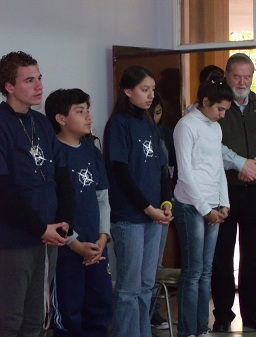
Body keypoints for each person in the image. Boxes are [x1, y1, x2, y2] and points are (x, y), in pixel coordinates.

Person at [0, 51, 72, 337]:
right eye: (29, 80)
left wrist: (65, 221)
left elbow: (61, 176)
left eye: (39, 78)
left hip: (48, 236)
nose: (39, 85)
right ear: (9, 86)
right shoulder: (2, 124)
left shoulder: (41, 123)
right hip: (14, 239)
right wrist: (39, 227)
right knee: (10, 318)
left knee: (37, 317)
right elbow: (2, 190)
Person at [211, 53, 256, 332]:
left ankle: (252, 315)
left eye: (247, 76)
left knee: (254, 256)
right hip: (224, 191)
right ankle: (222, 316)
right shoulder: (215, 105)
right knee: (222, 256)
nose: (242, 82)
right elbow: (210, 144)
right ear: (227, 76)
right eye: (236, 76)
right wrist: (240, 163)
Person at [103, 65, 173, 337]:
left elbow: (161, 168)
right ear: (127, 91)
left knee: (146, 285)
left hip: (154, 217)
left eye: (152, 90)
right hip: (130, 217)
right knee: (129, 289)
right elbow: (120, 172)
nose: (150, 95)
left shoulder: (150, 124)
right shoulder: (118, 124)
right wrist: (149, 208)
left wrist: (165, 203)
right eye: (144, 90)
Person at [45, 88, 113, 337]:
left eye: (88, 110)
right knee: (69, 310)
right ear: (60, 119)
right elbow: (51, 205)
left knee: (100, 305)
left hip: (96, 246)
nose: (88, 116)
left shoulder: (92, 152)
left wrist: (103, 237)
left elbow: (103, 198)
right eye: (80, 111)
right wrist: (74, 243)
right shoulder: (53, 154)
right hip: (67, 248)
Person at [173, 71, 234, 337]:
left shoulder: (216, 127)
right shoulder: (186, 126)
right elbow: (185, 173)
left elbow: (218, 168)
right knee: (193, 272)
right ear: (206, 101)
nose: (223, 114)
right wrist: (205, 209)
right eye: (220, 109)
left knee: (206, 273)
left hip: (212, 207)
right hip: (190, 206)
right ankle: (188, 330)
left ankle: (201, 328)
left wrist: (223, 203)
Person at [148, 91, 175, 331]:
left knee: (156, 262)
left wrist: (167, 201)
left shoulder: (165, 134)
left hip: (163, 204)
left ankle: (153, 310)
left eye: (157, 114)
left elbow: (170, 170)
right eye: (150, 113)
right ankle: (140, 314)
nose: (154, 118)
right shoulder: (125, 129)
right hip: (140, 209)